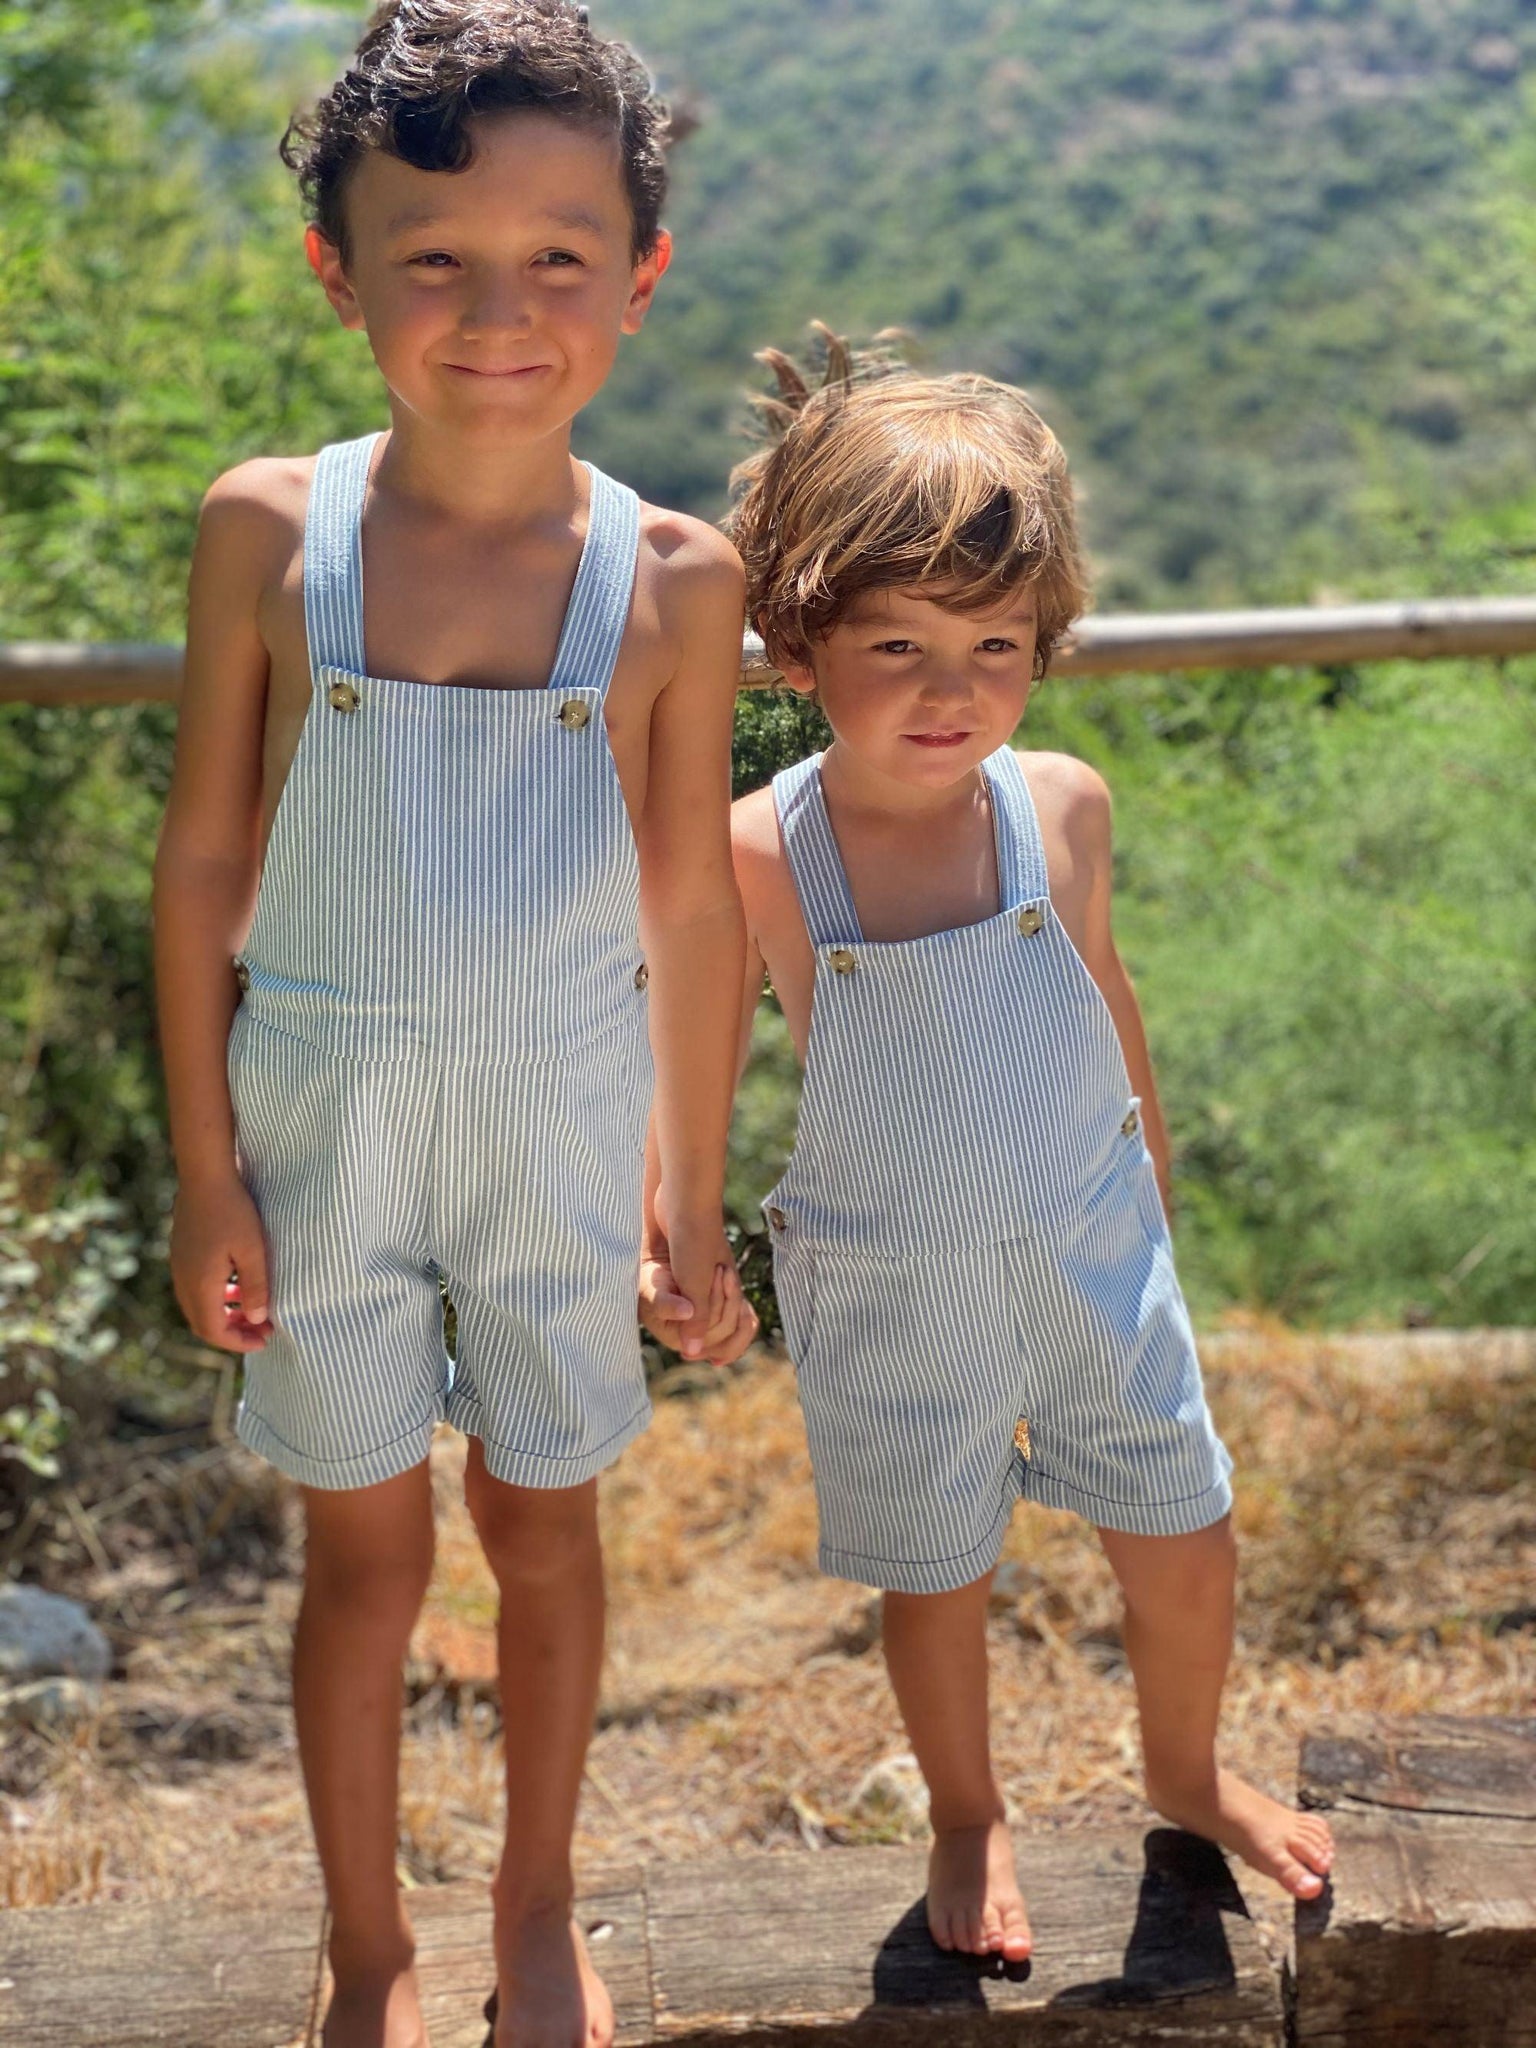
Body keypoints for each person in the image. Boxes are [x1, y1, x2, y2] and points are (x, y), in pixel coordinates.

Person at [153, 6, 751, 2044]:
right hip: (317, 1135)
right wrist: (208, 1171)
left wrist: (688, 1185)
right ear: (338, 271)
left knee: (544, 1521)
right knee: (363, 1555)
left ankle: (535, 1909)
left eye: (560, 257)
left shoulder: (673, 578)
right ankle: (368, 1943)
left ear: (640, 278)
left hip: (563, 1132)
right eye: (435, 258)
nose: (500, 313)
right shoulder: (270, 532)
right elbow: (205, 866)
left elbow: (689, 902)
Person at [646, 330, 1334, 1966]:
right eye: (896, 643)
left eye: (995, 645)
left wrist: (1149, 1192)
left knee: (1184, 1526)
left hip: (1091, 1245)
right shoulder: (759, 851)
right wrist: (677, 1226)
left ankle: (1187, 1769)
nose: (950, 691)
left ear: (1047, 638)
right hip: (892, 1276)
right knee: (937, 1566)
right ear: (799, 643)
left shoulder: (1061, 806)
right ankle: (967, 1809)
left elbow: (1103, 990)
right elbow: (688, 1055)